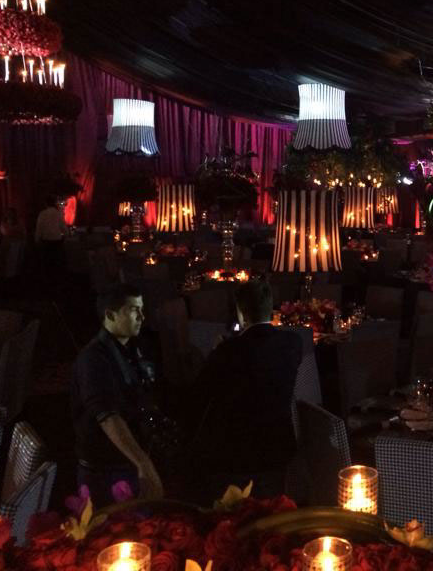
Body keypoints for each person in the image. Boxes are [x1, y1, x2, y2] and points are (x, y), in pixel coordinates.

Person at [187, 278, 302, 498]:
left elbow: (200, 394)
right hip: (278, 445)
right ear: (271, 309)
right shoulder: (293, 343)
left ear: (241, 312)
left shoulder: (227, 351)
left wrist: (217, 352)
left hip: (236, 451)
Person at [70, 284, 164, 506]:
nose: (141, 317)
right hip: (106, 470)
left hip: (129, 461)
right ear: (110, 315)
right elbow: (106, 415)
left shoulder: (133, 349)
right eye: (133, 310)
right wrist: (143, 463)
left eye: (141, 309)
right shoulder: (93, 359)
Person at [35, 196, 67, 272]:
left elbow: (39, 228)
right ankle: (55, 274)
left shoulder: (43, 214)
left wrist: (37, 239)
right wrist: (66, 235)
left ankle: (47, 275)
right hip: (57, 240)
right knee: (56, 260)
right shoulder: (58, 213)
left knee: (47, 261)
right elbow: (63, 226)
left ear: (46, 203)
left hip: (46, 240)